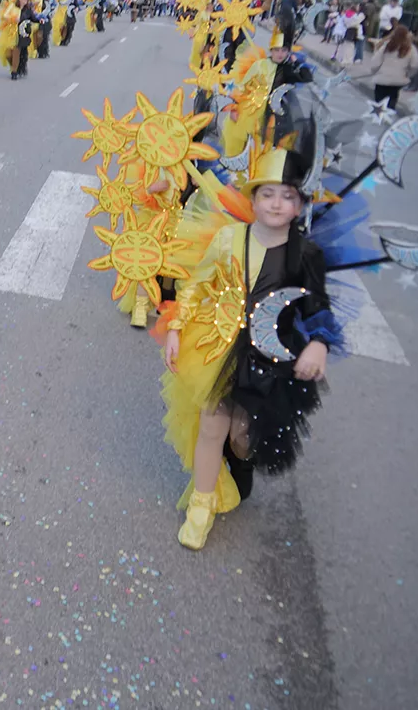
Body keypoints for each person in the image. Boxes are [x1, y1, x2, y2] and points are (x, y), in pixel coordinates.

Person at [161, 148, 340, 550]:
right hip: (219, 347)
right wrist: (176, 324)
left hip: (270, 355)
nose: (276, 203)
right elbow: (196, 285)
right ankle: (201, 506)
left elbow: (320, 311)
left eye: (287, 195)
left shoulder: (306, 254)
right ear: (253, 198)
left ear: (299, 204)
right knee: (212, 426)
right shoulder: (228, 238)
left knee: (244, 437)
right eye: (268, 193)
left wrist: (318, 344)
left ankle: (238, 459)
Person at [352, 24, 418, 111]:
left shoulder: (387, 46)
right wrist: (408, 74)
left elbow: (376, 62)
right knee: (392, 98)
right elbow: (415, 64)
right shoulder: (410, 48)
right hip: (397, 79)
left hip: (382, 78)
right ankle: (389, 113)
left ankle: (379, 116)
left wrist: (374, 71)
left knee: (379, 100)